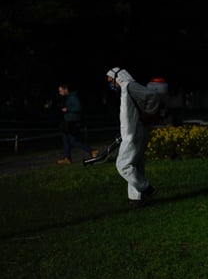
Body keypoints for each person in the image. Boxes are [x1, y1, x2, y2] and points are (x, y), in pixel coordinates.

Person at [106, 68, 156, 205]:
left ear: (118, 77)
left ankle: (146, 188)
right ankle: (136, 198)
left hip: (133, 133)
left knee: (123, 165)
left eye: (111, 81)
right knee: (135, 165)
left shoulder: (130, 86)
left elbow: (152, 96)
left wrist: (149, 113)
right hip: (134, 131)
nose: (111, 85)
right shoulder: (126, 89)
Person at [56, 84, 98, 164]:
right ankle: (67, 158)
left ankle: (92, 151)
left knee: (72, 140)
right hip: (69, 122)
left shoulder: (73, 97)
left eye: (60, 90)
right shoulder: (69, 97)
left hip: (73, 122)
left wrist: (67, 109)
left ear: (66, 89)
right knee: (66, 138)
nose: (60, 93)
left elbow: (78, 108)